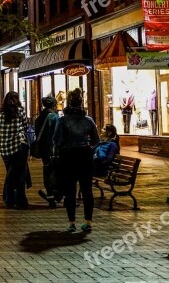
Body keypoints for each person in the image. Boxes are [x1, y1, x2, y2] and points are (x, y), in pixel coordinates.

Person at [54, 88, 100, 233]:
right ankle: (88, 221)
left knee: (70, 191)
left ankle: (71, 222)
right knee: (87, 190)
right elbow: (96, 140)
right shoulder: (88, 120)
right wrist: (88, 149)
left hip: (68, 157)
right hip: (85, 156)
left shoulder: (62, 120)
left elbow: (57, 140)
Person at [0, 91, 30, 210]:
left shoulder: (0, 112)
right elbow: (25, 125)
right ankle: (18, 199)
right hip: (19, 146)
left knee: (10, 172)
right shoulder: (20, 110)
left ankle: (10, 199)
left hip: (5, 147)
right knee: (19, 174)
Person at [34, 96, 61, 208]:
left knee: (47, 169)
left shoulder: (39, 117)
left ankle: (50, 194)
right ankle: (55, 195)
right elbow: (58, 134)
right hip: (52, 149)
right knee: (55, 172)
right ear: (53, 105)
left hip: (43, 149)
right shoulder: (54, 117)